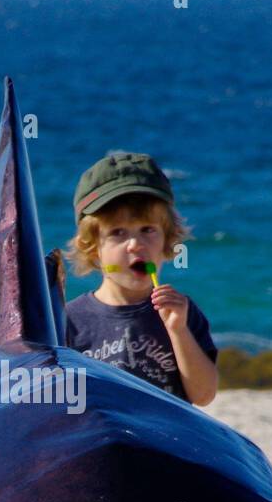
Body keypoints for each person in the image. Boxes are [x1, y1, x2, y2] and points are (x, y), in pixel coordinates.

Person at [63, 152, 219, 406]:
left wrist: (178, 331)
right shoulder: (69, 321)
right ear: (93, 249)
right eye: (118, 233)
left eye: (148, 230)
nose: (135, 244)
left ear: (167, 241)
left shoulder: (181, 312)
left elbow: (203, 396)